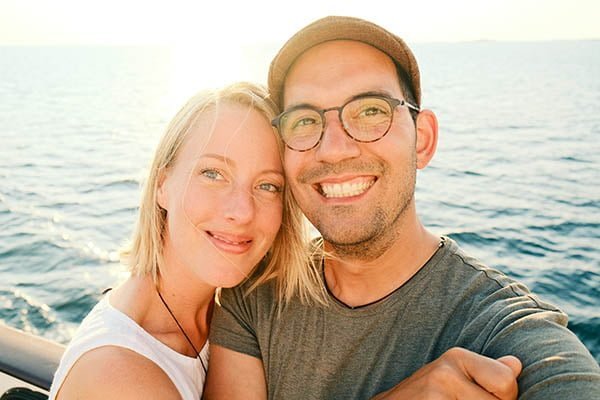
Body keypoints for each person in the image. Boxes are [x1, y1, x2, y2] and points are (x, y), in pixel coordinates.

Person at [205, 16, 600, 399]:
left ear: (423, 139)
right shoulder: (255, 299)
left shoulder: (501, 332)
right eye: (305, 121)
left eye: (371, 111)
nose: (334, 148)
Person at [48, 82, 315, 399]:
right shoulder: (117, 376)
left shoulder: (236, 315)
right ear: (163, 184)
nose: (242, 211)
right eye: (213, 173)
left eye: (268, 185)